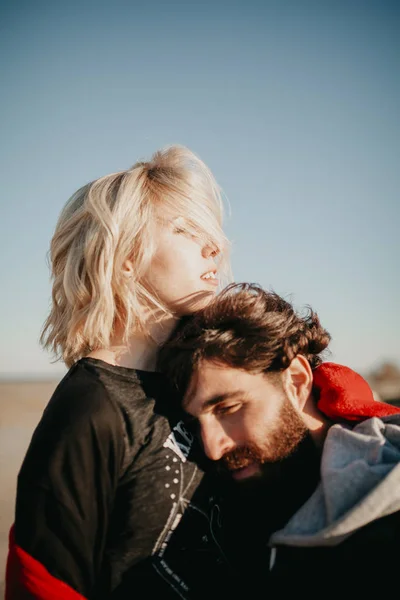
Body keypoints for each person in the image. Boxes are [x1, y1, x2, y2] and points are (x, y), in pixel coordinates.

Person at [5, 145, 235, 600]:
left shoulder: (202, 383)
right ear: (127, 255)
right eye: (185, 230)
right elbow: (45, 585)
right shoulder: (90, 410)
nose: (215, 246)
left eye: (210, 232)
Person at [158, 282, 400, 591]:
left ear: (297, 382)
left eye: (229, 408)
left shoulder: (387, 517)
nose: (213, 448)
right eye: (196, 422)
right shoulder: (228, 502)